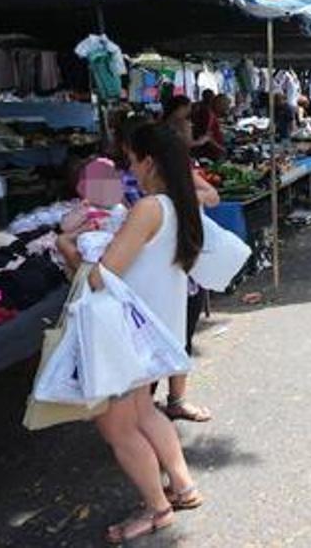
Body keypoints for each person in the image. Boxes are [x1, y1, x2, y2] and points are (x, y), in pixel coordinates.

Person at [57, 123, 204, 543]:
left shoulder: (148, 208)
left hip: (129, 334)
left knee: (117, 427)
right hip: (154, 329)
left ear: (149, 161)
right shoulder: (177, 203)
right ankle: (183, 486)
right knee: (143, 413)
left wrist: (68, 250)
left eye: (130, 159)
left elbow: (103, 278)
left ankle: (158, 509)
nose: (128, 169)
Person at [114, 115, 219, 423]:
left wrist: (174, 201)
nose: (131, 164)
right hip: (153, 268)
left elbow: (212, 196)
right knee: (152, 347)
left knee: (172, 340)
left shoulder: (159, 198)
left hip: (173, 270)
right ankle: (145, 414)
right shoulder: (113, 177)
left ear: (148, 159)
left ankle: (166, 405)